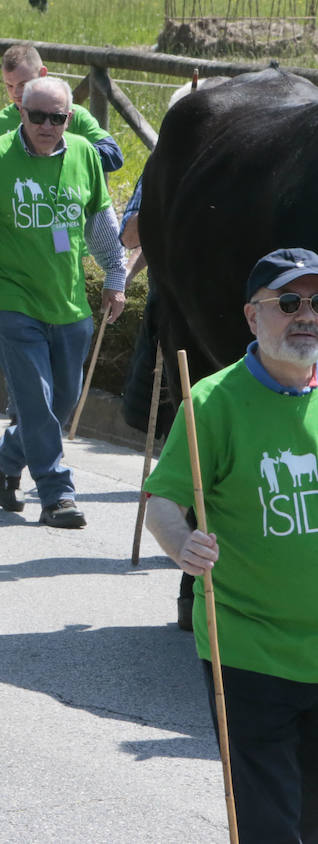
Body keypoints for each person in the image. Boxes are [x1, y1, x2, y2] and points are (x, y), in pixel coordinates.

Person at [144, 247, 318, 844]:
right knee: (270, 824)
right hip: (248, 649)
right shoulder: (212, 403)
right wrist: (183, 545)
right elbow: (163, 501)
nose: (307, 315)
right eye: (289, 302)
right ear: (252, 316)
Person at [0, 75, 126, 528]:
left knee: (62, 400)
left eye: (58, 117)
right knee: (36, 399)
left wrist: (116, 274)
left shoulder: (85, 155)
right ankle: (56, 494)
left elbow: (100, 222)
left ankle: (6, 457)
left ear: (69, 117)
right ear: (22, 113)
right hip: (11, 299)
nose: (48, 125)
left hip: (68, 304)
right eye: (38, 116)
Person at [0, 44, 123, 173]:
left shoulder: (72, 116)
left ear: (42, 74)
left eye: (23, 84)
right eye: (9, 85)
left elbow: (113, 155)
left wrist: (62, 152)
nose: (16, 93)